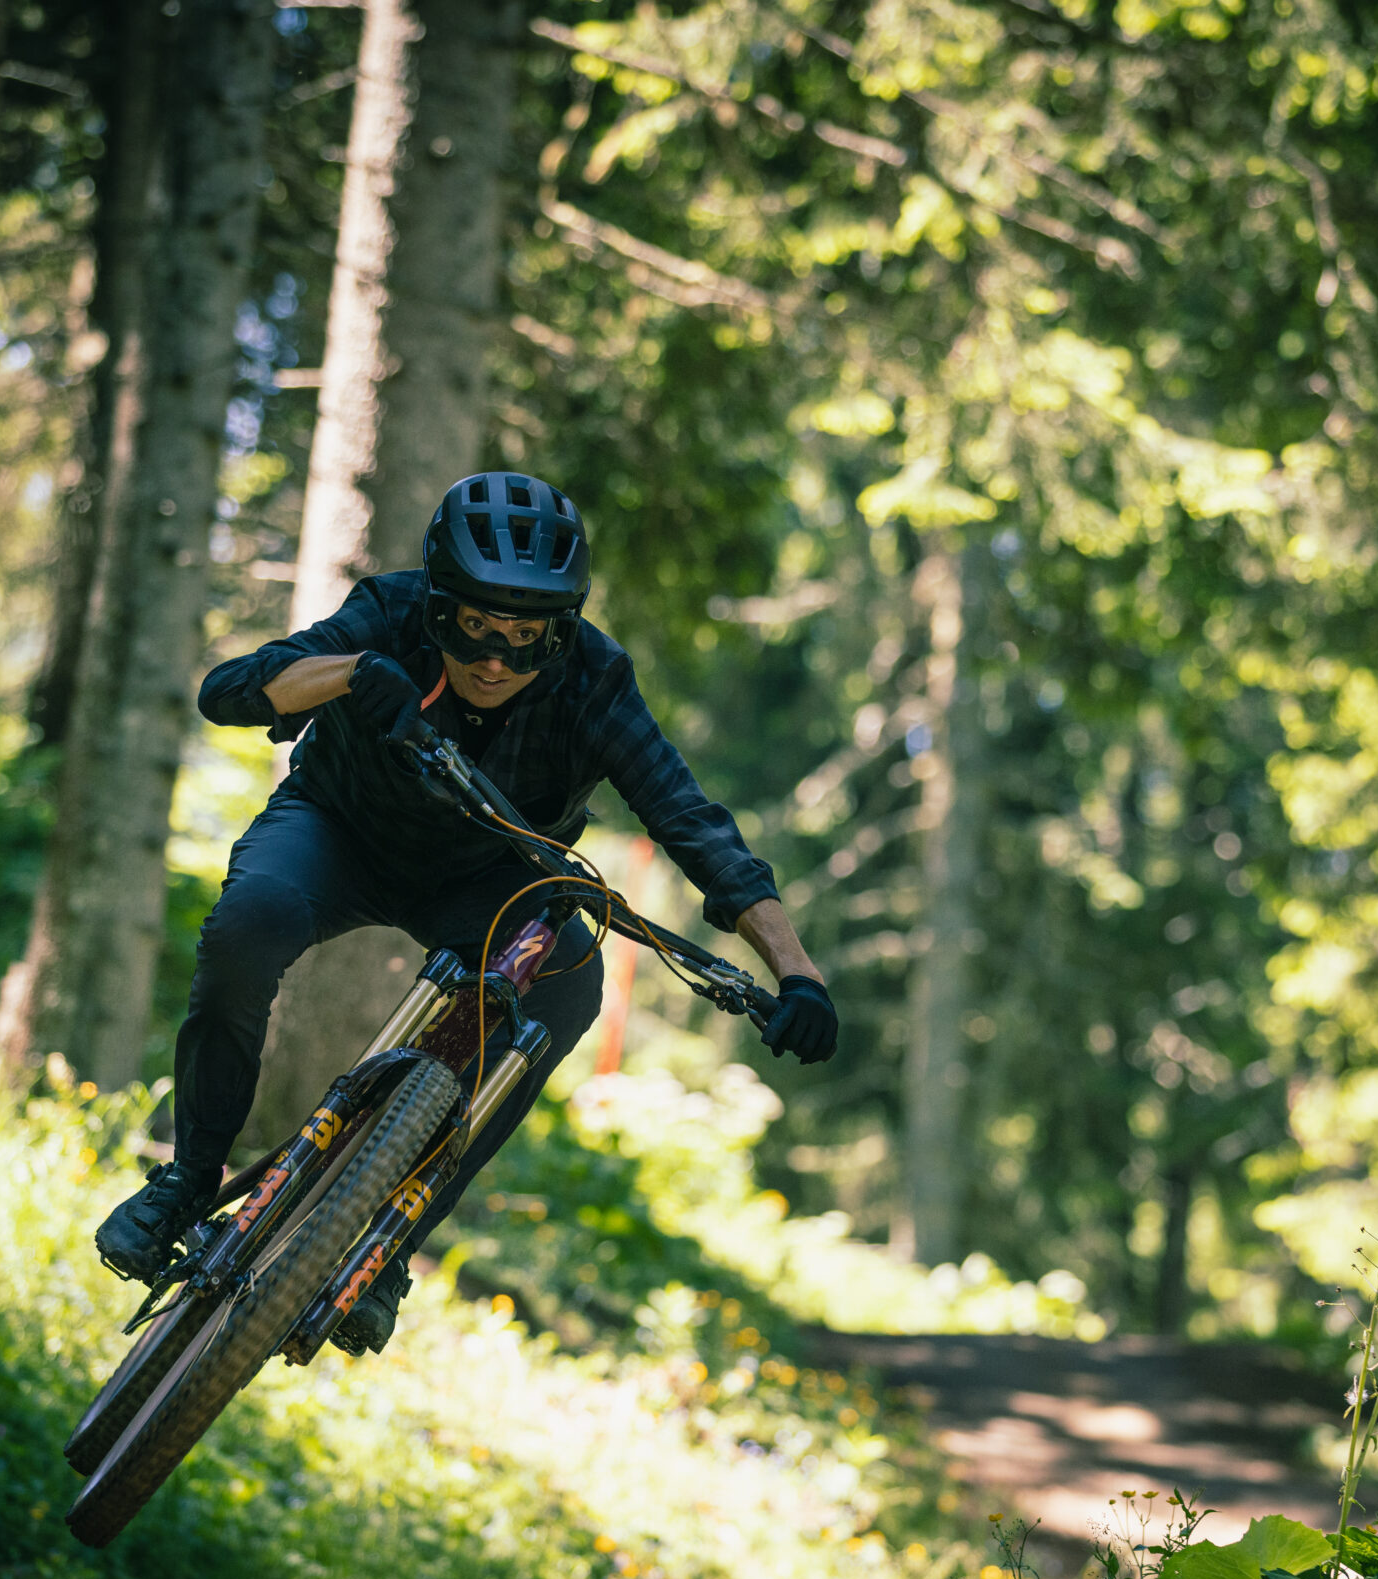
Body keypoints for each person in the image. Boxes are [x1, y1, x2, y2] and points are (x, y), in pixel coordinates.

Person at [93, 471, 838, 1351]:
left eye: (527, 640)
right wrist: (350, 675)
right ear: (439, 607)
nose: (497, 659)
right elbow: (232, 689)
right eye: (476, 629)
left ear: (560, 633)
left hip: (492, 870)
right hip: (336, 830)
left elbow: (693, 823)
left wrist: (796, 970)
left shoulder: (595, 678)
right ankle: (184, 1180)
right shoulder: (390, 612)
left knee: (568, 978)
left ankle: (389, 1241)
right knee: (248, 923)